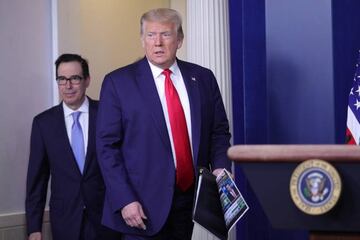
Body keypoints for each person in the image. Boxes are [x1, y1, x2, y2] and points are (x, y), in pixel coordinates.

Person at [96, 8, 231, 240]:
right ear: (142, 39)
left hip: (189, 202)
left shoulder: (203, 78)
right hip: (140, 206)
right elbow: (107, 148)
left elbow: (218, 132)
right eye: (150, 35)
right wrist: (124, 199)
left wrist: (220, 167)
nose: (157, 42)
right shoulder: (118, 82)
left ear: (179, 40)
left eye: (166, 35)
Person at [25, 53, 122, 240]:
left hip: (107, 218)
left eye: (75, 79)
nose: (67, 86)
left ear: (87, 80)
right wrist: (34, 227)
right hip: (65, 221)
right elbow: (37, 179)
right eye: (62, 79)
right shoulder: (43, 123)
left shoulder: (107, 113)